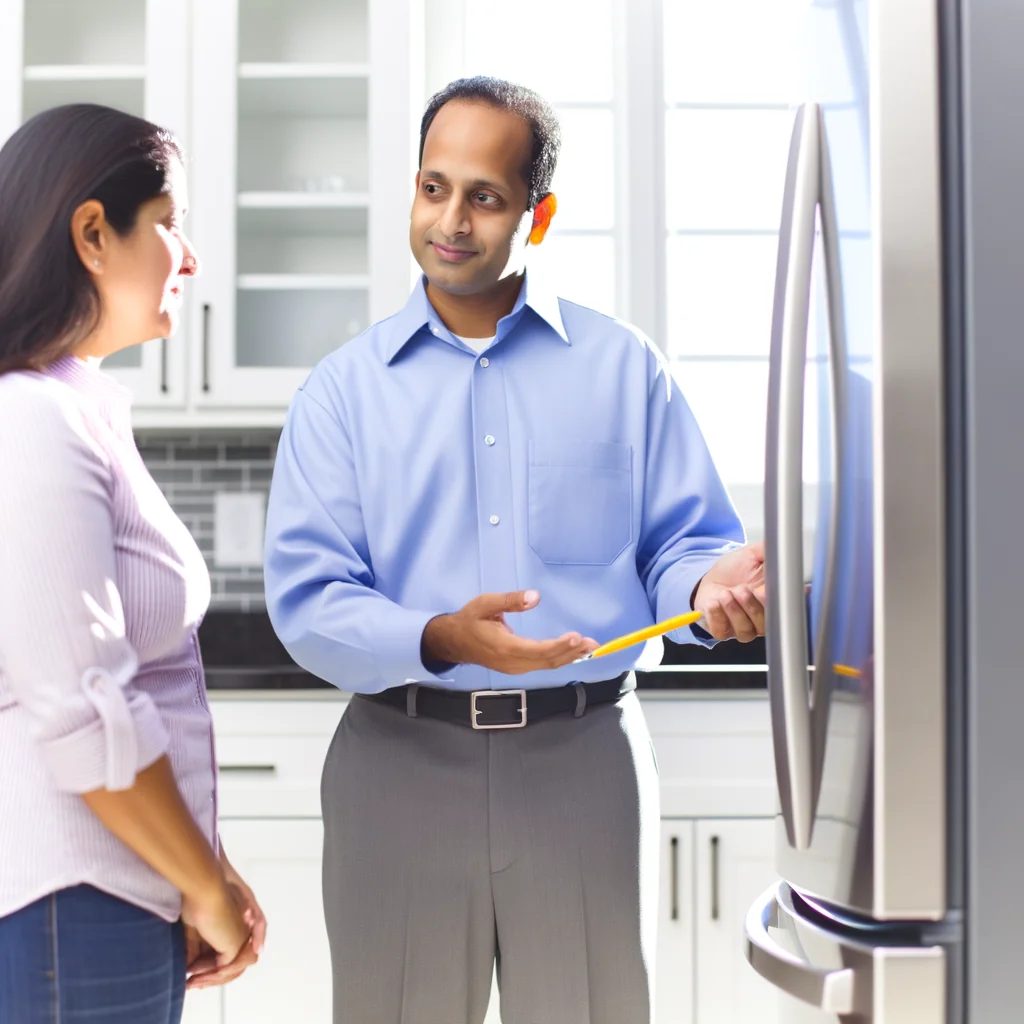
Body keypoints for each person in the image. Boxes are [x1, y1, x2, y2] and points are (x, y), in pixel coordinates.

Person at [264, 77, 765, 1024]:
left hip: (585, 765)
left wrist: (711, 583)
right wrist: (441, 636)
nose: (451, 221)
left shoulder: (624, 368)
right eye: (433, 188)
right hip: (397, 768)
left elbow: (679, 546)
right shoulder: (340, 393)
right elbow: (309, 598)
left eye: (485, 197)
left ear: (539, 214)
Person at [0, 104, 266, 1023]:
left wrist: (202, 867)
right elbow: (84, 709)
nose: (189, 258)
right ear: (91, 234)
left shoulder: (75, 409)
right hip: (68, 899)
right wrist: (205, 886)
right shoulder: (31, 420)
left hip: (112, 894)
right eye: (168, 223)